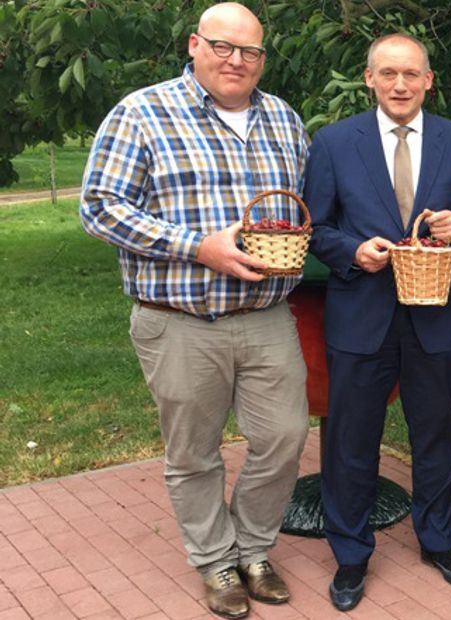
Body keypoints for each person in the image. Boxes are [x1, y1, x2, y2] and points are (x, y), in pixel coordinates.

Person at [79, 3, 309, 618]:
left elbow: (303, 207)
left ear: (263, 57)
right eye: (222, 46)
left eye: (250, 51)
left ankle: (254, 549)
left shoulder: (284, 119)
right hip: (178, 319)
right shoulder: (142, 113)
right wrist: (197, 246)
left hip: (265, 317)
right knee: (193, 452)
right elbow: (99, 207)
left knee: (284, 437)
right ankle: (215, 562)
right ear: (193, 44)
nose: (236, 60)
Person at [302, 33, 451, 611]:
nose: (401, 85)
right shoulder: (335, 143)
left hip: (434, 315)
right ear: (370, 79)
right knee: (350, 440)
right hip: (361, 314)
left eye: (411, 74)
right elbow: (316, 226)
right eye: (388, 74)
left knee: (436, 435)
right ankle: (351, 557)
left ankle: (439, 543)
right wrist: (352, 252)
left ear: (428, 80)